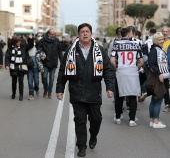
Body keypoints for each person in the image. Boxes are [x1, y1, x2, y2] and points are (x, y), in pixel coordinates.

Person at [56, 23, 114, 157]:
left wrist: (109, 87)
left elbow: (107, 70)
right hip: (77, 91)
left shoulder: (99, 50)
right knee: (80, 120)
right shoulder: (71, 51)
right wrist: (60, 89)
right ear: (78, 34)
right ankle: (81, 146)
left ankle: (93, 136)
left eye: (87, 31)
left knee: (96, 119)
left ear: (91, 34)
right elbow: (62, 71)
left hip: (94, 91)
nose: (85, 33)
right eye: (82, 31)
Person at [110, 27, 144, 127]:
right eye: (132, 33)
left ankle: (118, 117)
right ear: (129, 34)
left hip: (121, 71)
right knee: (133, 96)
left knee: (119, 95)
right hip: (132, 71)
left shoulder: (117, 44)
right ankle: (132, 119)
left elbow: (112, 60)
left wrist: (117, 68)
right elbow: (141, 61)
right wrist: (135, 68)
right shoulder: (136, 44)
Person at [147, 32, 169, 128]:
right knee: (158, 99)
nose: (161, 41)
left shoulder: (158, 49)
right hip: (159, 77)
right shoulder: (155, 50)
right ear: (155, 40)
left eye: (162, 39)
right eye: (159, 39)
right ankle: (156, 121)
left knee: (154, 99)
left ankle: (152, 120)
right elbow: (151, 64)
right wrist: (159, 74)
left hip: (161, 76)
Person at [37, 28, 62, 99]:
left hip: (53, 62)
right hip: (45, 62)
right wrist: (41, 55)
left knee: (51, 79)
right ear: (48, 34)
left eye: (54, 34)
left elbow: (60, 51)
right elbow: (39, 48)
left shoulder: (57, 41)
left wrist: (62, 61)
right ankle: (46, 88)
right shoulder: (43, 40)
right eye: (52, 34)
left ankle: (49, 92)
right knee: (44, 77)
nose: (54, 35)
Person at [5, 36, 28, 101]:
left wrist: (30, 39)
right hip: (13, 66)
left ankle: (21, 95)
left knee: (21, 81)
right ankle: (13, 93)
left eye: (20, 41)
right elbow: (7, 57)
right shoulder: (10, 48)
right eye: (18, 42)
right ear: (14, 42)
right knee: (14, 82)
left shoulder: (23, 47)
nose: (19, 43)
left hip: (21, 66)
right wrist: (7, 65)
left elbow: (30, 46)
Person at [26, 33, 39, 100]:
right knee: (30, 81)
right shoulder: (27, 45)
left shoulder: (37, 45)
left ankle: (36, 88)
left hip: (36, 66)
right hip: (29, 66)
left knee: (36, 81)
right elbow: (30, 45)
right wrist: (30, 39)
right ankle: (31, 94)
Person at [161, 26, 170, 112]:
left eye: (166, 31)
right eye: (163, 31)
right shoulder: (160, 42)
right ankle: (167, 104)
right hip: (163, 68)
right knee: (165, 87)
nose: (165, 33)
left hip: (169, 66)